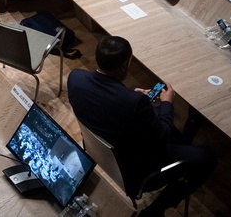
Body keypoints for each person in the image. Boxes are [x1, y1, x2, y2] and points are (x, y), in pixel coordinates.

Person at [68, 36, 216, 217]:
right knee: (207, 158)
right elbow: (162, 136)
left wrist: (129, 95)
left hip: (99, 151)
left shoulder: (75, 77)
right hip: (136, 173)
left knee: (155, 117)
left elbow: (105, 100)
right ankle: (155, 211)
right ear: (125, 65)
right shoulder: (134, 103)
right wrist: (167, 103)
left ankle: (184, 141)